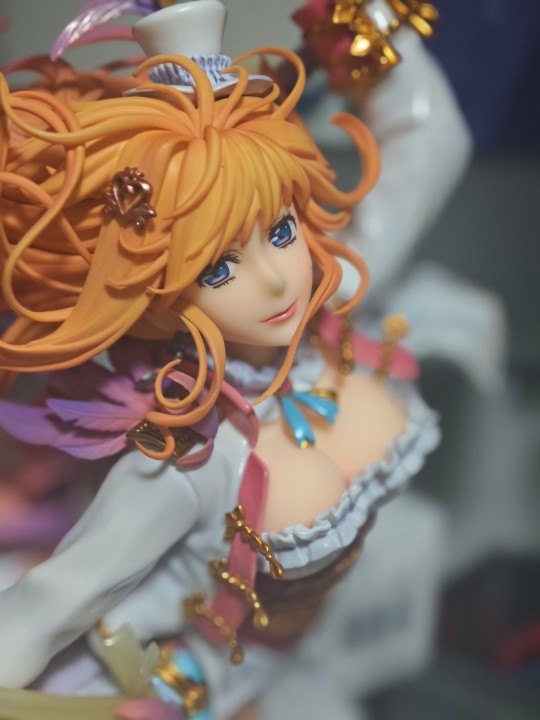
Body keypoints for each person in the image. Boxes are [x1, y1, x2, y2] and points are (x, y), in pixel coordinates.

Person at [0, 2, 439, 718]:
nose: (274, 281)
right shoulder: (183, 461)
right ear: (160, 290)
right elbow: (51, 602)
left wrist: (358, 26)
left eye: (282, 230)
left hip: (304, 656)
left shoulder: (330, 304)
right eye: (218, 268)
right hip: (185, 681)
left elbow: (428, 150)